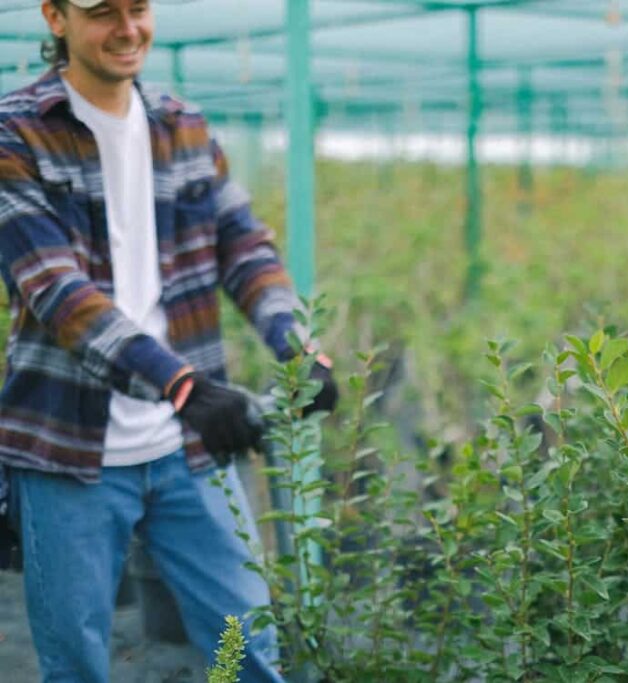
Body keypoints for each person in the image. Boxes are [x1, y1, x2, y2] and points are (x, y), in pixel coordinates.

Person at [0, 0, 339, 680]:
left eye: (139, 8)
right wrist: (180, 383)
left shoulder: (179, 125)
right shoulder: (17, 136)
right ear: (55, 17)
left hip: (187, 451)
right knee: (78, 662)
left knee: (243, 643)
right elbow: (58, 292)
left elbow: (242, 243)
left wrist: (295, 342)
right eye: (103, 12)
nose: (128, 29)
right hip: (67, 450)